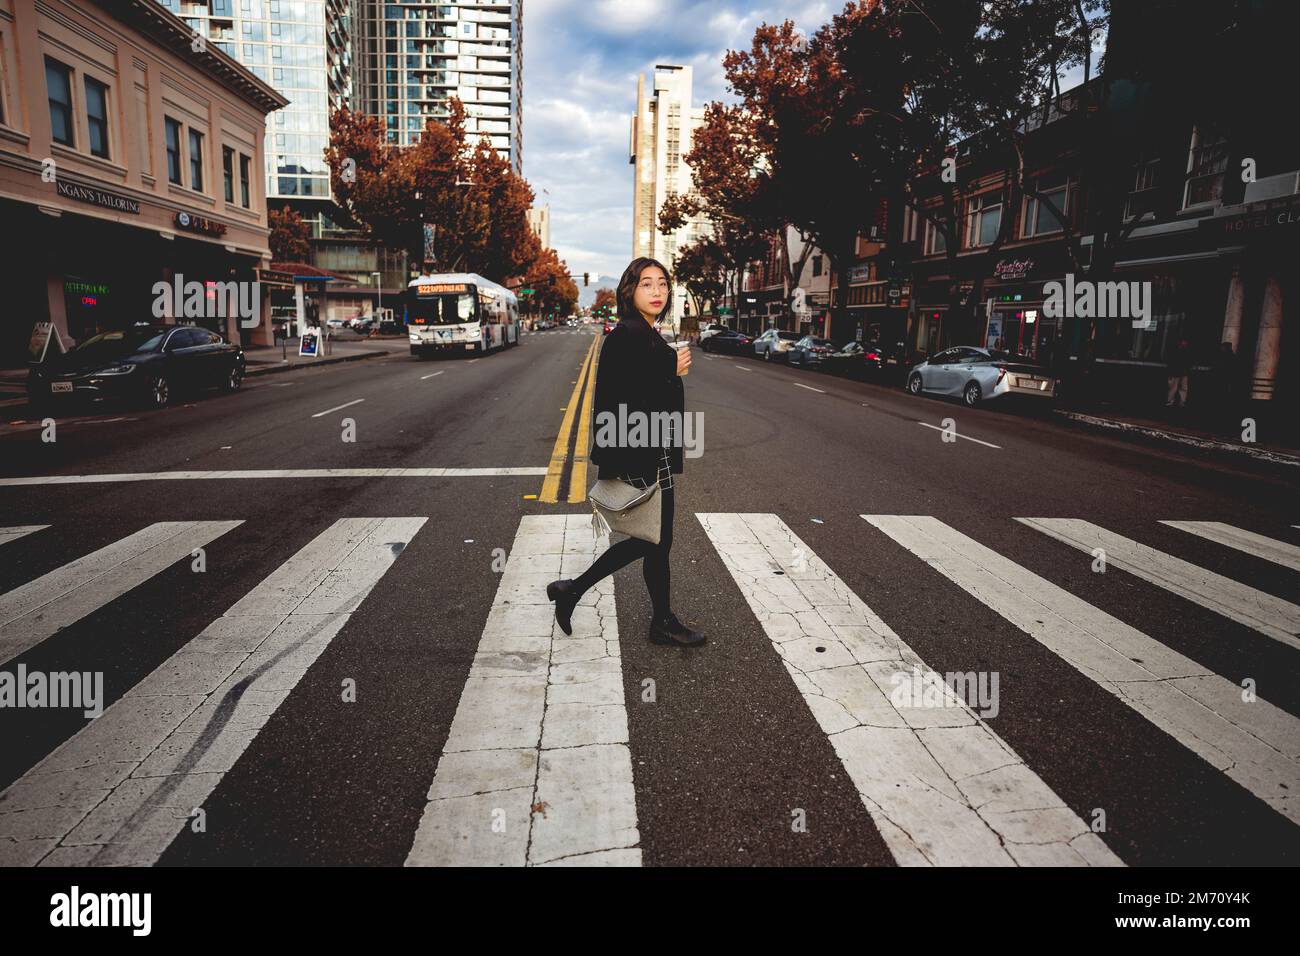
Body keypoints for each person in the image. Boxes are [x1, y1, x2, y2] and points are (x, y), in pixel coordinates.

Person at [546, 257, 704, 647]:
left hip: (649, 448)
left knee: (656, 541)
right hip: (643, 452)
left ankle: (659, 619)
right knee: (655, 540)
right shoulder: (630, 334)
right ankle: (578, 591)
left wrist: (669, 367)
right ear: (630, 290)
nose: (657, 291)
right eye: (647, 284)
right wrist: (673, 370)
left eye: (663, 284)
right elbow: (630, 397)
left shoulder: (645, 333)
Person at [1166, 338, 1191, 408]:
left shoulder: (1175, 351)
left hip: (1177, 372)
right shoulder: (1186, 351)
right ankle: (1180, 401)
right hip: (1180, 372)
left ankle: (1173, 401)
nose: (1184, 343)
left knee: (1174, 387)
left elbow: (1170, 362)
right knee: (1178, 388)